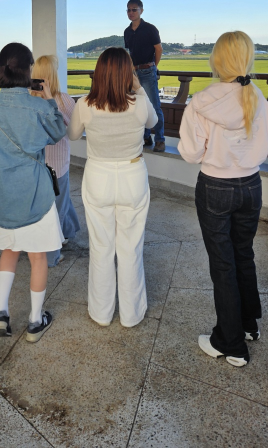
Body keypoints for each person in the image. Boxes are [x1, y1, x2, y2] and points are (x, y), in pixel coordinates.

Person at [178, 31, 268, 367]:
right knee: (243, 254)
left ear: (217, 60)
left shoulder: (202, 102)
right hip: (251, 186)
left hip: (215, 188)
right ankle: (248, 324)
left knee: (223, 264)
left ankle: (231, 343)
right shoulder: (258, 98)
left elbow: (190, 153)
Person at [0, 43, 66, 343]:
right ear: (29, 70)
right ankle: (34, 320)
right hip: (34, 193)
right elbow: (58, 132)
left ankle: (1, 313)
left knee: (9, 250)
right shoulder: (38, 107)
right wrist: (48, 99)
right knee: (38, 257)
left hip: (1, 194)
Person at [68, 47, 157, 328]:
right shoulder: (139, 103)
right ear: (128, 73)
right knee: (131, 247)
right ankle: (131, 314)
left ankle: (101, 312)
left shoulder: (85, 104)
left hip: (98, 176)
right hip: (132, 175)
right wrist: (139, 88)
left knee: (101, 246)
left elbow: (72, 135)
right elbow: (154, 122)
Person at [31, 55, 80, 267]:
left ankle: (68, 231)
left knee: (57, 202)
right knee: (56, 209)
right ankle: (51, 255)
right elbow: (72, 131)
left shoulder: (27, 100)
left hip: (35, 165)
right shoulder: (64, 100)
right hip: (58, 164)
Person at [124, 0, 165, 152]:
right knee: (138, 106)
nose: (131, 12)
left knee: (154, 105)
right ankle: (146, 137)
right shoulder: (127, 31)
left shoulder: (150, 29)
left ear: (141, 10)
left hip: (148, 71)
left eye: (134, 9)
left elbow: (158, 49)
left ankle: (160, 139)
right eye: (128, 10)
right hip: (134, 73)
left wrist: (154, 66)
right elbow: (129, 52)